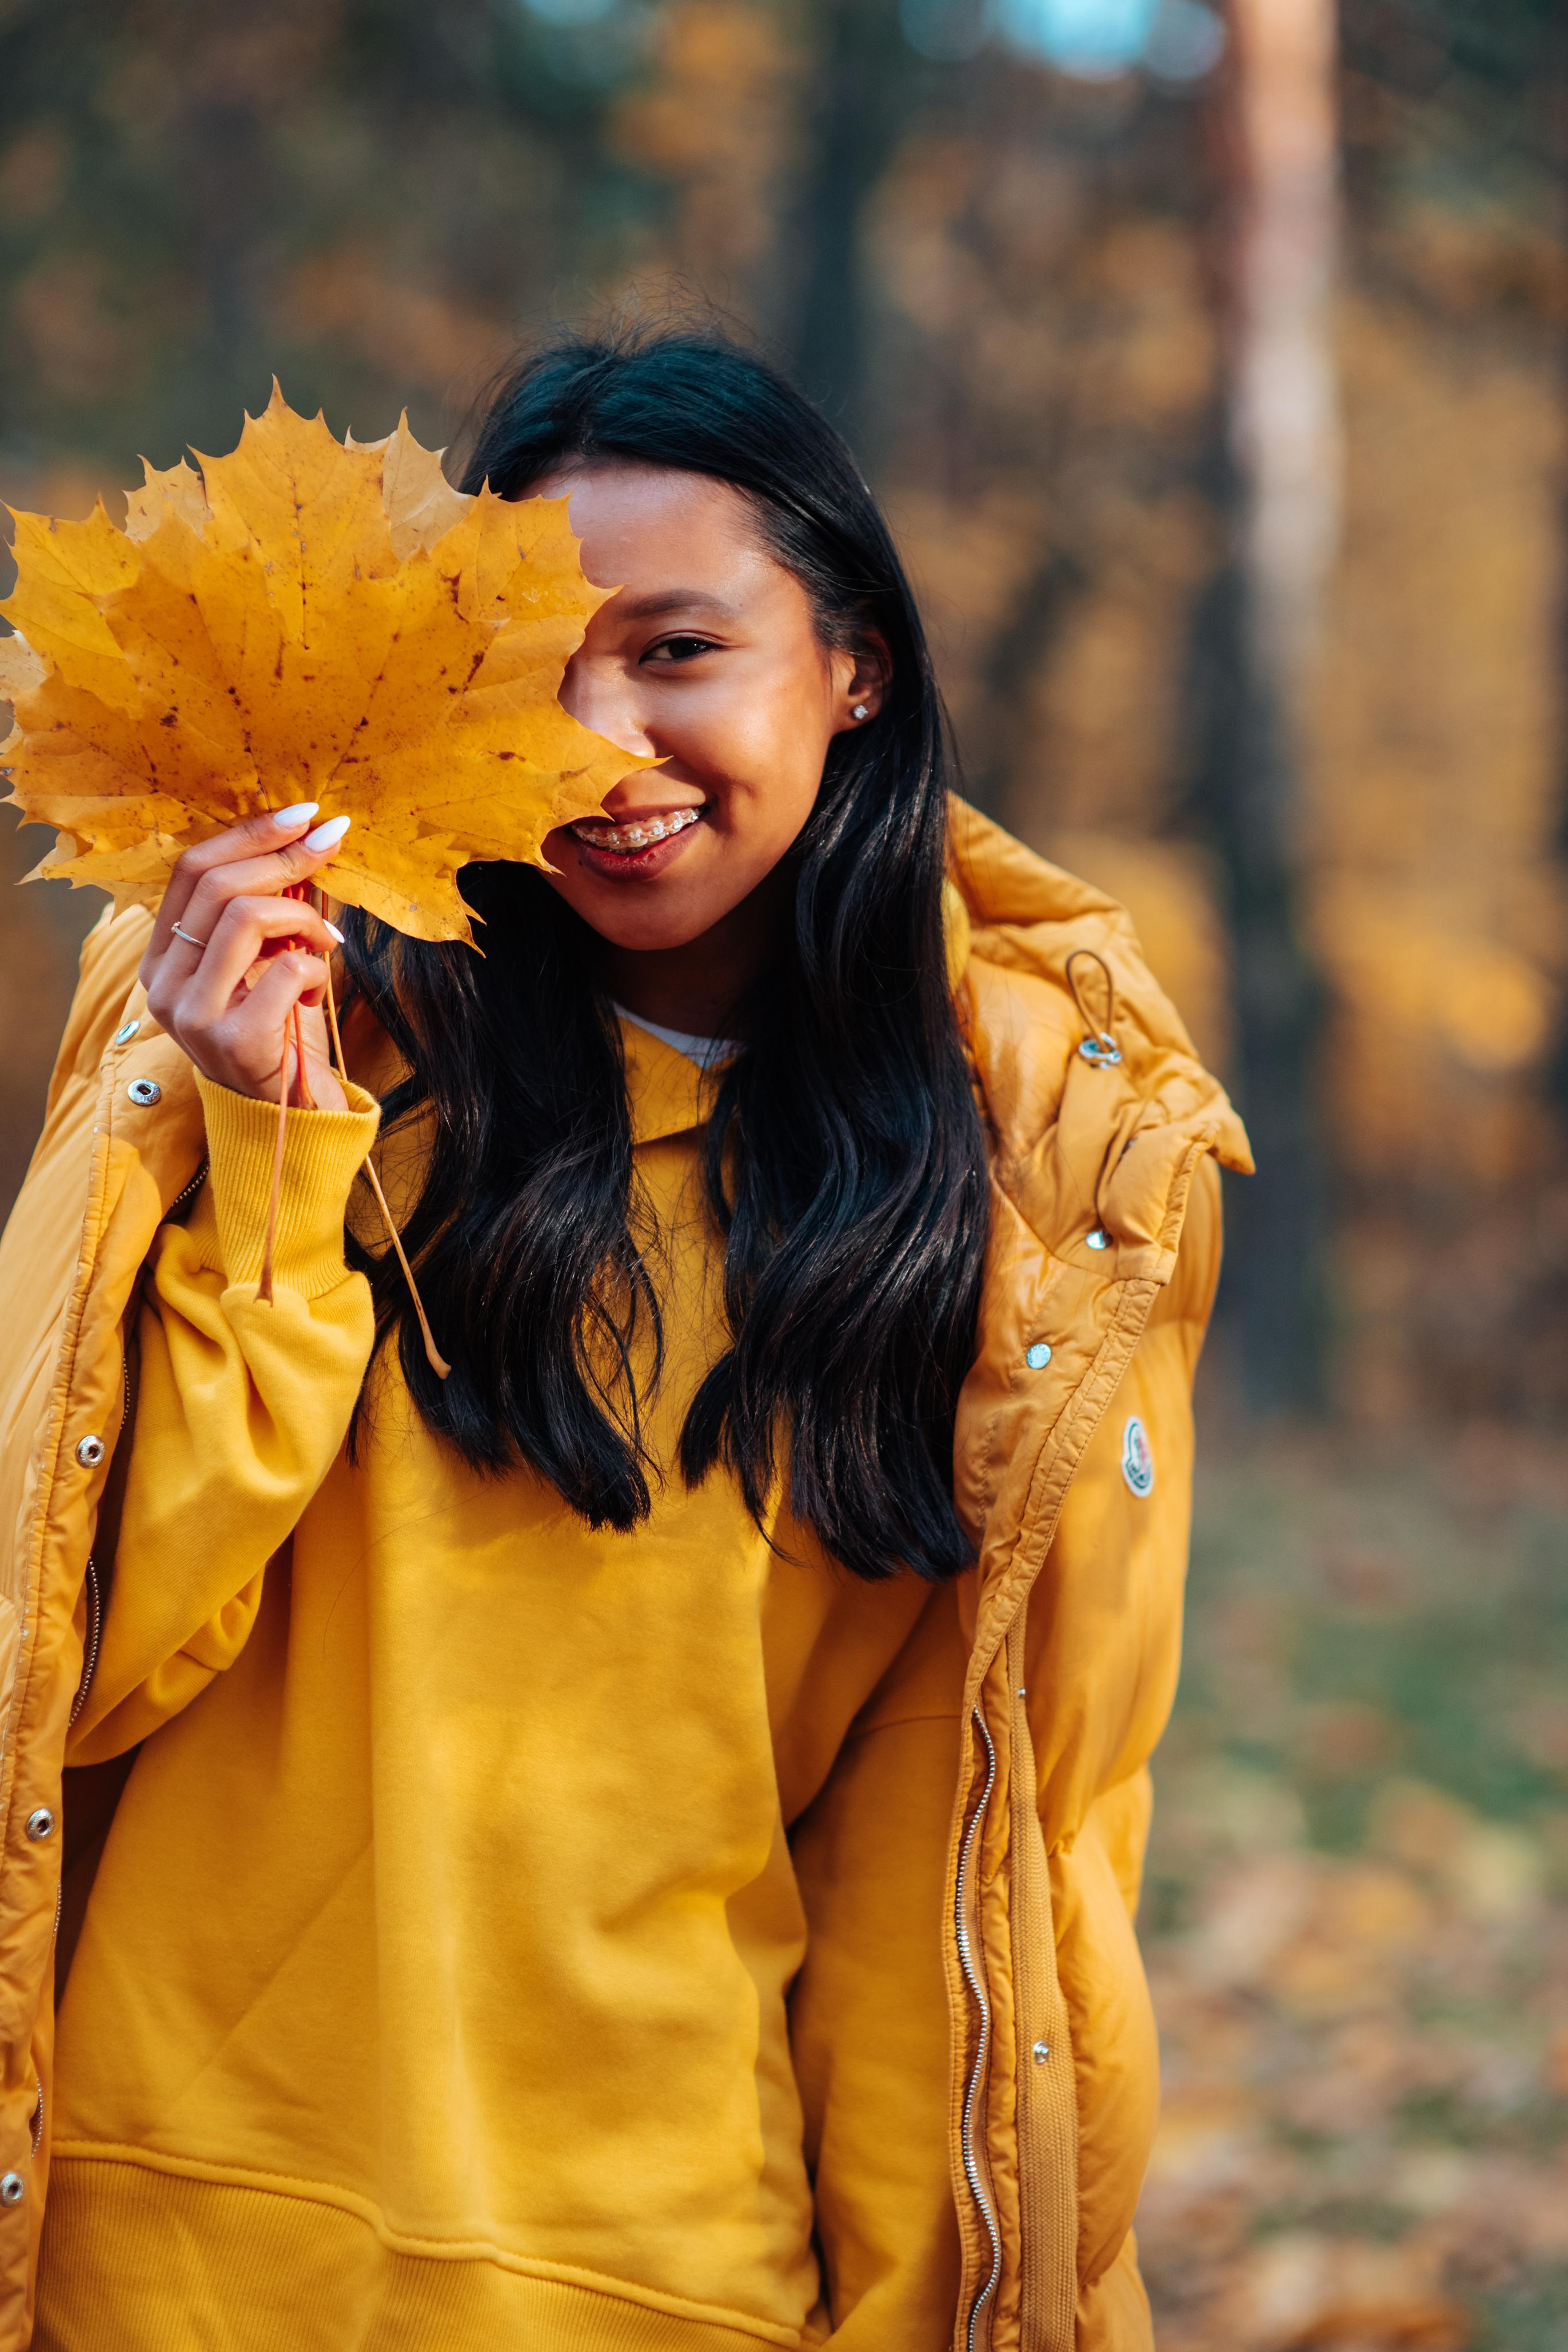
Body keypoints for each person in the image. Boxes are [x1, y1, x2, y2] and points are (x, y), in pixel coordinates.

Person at [0, 328, 1248, 2352]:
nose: (597, 744)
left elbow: (966, 1876)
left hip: (679, 2276)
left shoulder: (1029, 1190)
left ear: (855, 663)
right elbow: (78, 1665)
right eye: (535, 666)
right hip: (180, 2263)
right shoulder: (267, 1039)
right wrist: (268, 1142)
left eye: (677, 652)